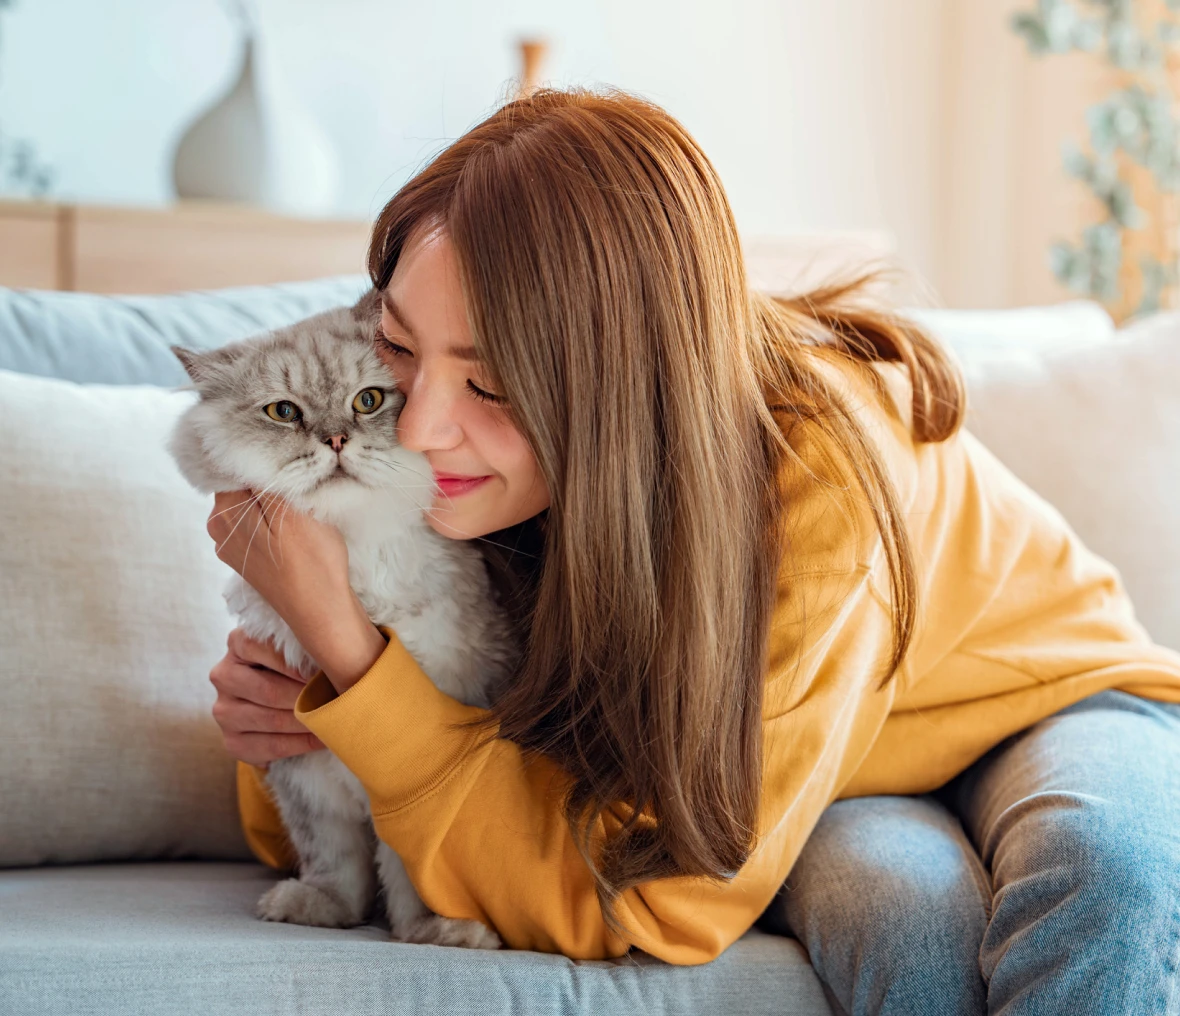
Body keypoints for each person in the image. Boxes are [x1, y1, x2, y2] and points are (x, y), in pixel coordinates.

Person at [203, 87, 1180, 1015]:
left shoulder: (819, 467)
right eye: (401, 350)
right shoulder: (434, 470)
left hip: (1055, 700)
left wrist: (358, 660)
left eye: (491, 379)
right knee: (905, 914)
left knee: (1108, 872)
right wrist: (305, 696)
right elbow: (358, 840)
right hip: (834, 764)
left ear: (626, 383)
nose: (419, 430)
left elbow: (666, 904)